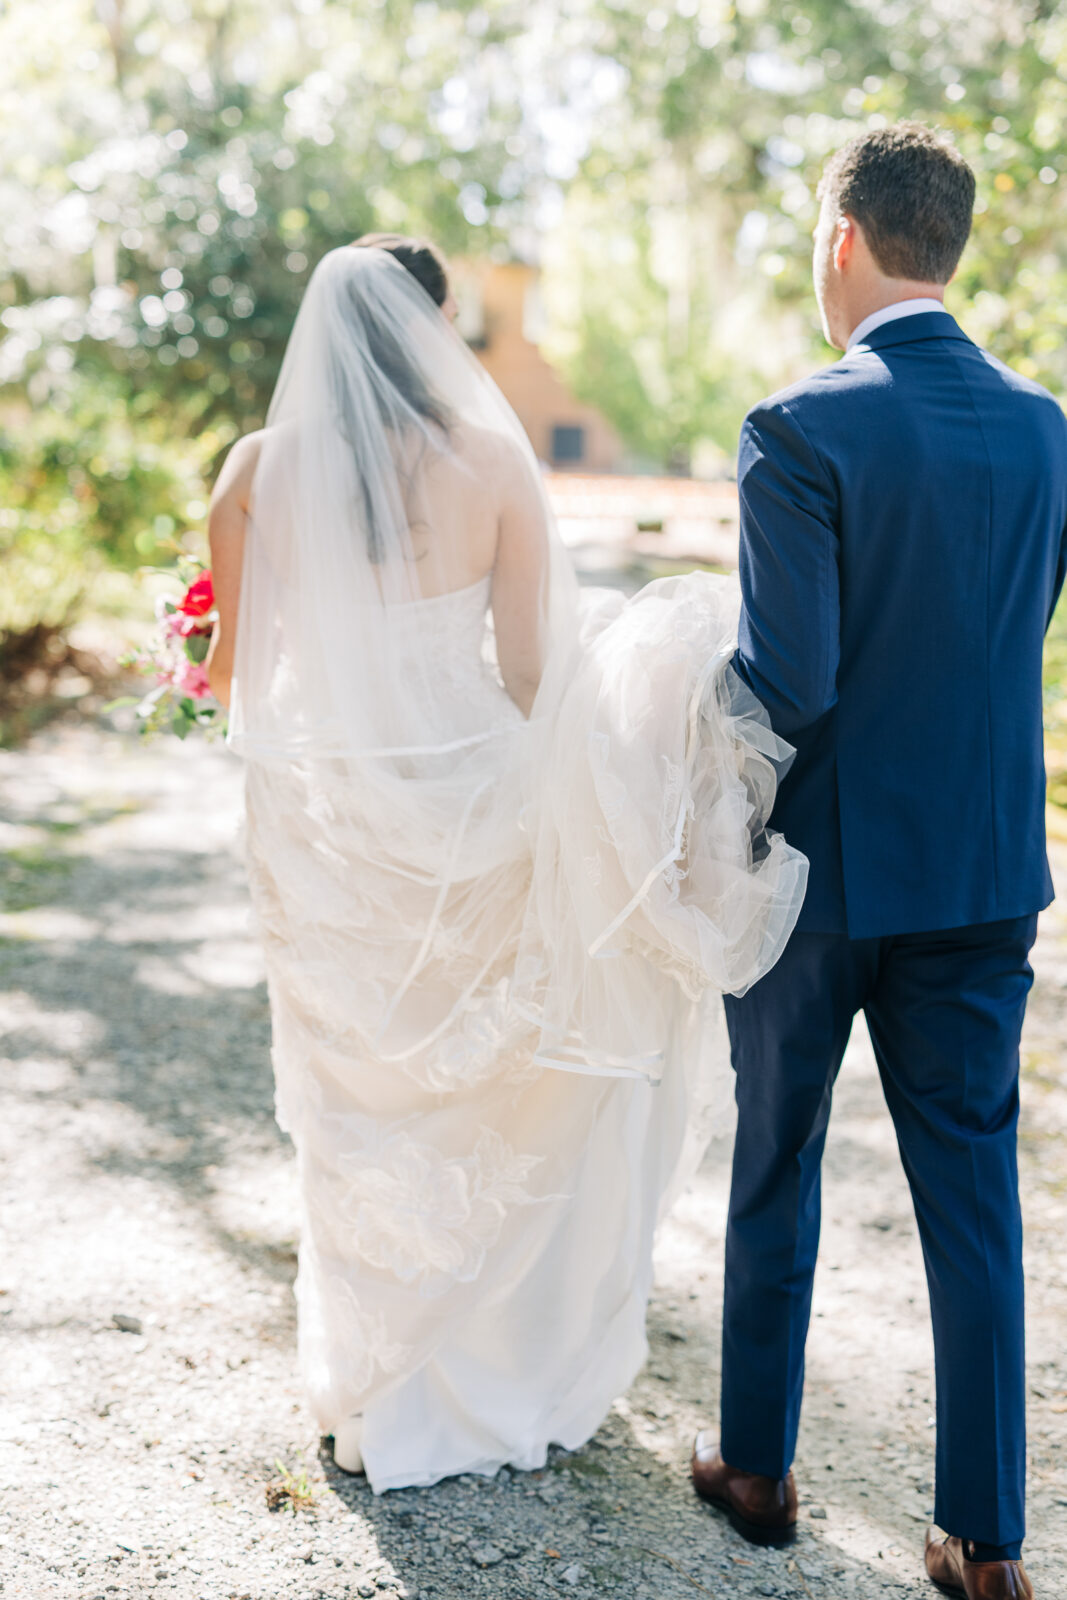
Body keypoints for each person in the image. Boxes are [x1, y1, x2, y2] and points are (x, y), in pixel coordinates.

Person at [204, 234, 806, 1491]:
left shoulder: (256, 472)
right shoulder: (486, 463)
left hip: (326, 826)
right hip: (466, 796)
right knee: (484, 1080)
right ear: (434, 333)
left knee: (357, 1097)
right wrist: (629, 777)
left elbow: (237, 686)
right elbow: (536, 676)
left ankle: (371, 1388)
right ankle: (487, 1365)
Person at [690, 124, 1067, 1600]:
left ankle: (759, 1469)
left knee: (772, 1155)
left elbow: (784, 682)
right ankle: (983, 1544)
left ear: (840, 239)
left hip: (820, 878)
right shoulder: (1046, 428)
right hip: (979, 873)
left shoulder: (796, 425)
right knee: (971, 1197)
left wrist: (681, 724)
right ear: (945, 245)